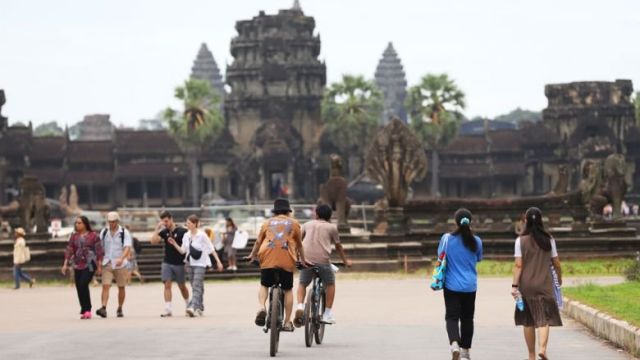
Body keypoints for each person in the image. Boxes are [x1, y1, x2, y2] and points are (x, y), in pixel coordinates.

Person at [246, 198, 309, 332]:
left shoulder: (267, 223)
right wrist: (303, 260)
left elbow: (258, 242)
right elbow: (299, 245)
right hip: (286, 258)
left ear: (274, 212)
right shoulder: (294, 223)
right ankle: (287, 322)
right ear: (288, 211)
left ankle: (262, 307)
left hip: (267, 256)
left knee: (264, 284)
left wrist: (252, 255)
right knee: (287, 289)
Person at [512, 207, 563, 360]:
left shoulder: (520, 241)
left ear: (525, 221)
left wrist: (515, 286)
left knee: (528, 321)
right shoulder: (549, 239)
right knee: (544, 319)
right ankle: (542, 348)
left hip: (526, 285)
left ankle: (531, 355)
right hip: (545, 284)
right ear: (541, 221)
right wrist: (559, 279)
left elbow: (518, 266)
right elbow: (556, 263)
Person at [294, 204, 352, 327]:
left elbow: (297, 242)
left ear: (317, 214)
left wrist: (296, 257)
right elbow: (338, 246)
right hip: (323, 261)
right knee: (330, 284)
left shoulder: (307, 224)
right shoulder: (332, 228)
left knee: (303, 284)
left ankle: (300, 306)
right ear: (329, 216)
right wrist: (345, 261)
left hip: (306, 260)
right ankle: (327, 313)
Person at [439, 208, 483, 360]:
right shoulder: (476, 241)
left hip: (451, 285)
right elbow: (478, 258)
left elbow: (440, 256)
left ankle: (454, 344)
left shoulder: (447, 239)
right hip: (470, 286)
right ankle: (465, 352)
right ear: (470, 222)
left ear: (455, 222)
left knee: (451, 317)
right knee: (467, 318)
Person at [167, 214, 223, 317]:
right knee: (196, 286)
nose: (187, 225)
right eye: (187, 223)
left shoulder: (202, 235)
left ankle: (192, 307)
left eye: (189, 223)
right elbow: (182, 251)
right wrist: (174, 243)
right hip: (189, 264)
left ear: (195, 224)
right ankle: (200, 307)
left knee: (196, 285)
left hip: (200, 264)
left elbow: (211, 248)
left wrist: (218, 262)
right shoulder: (186, 236)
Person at [61, 216, 104, 319]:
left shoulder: (93, 236)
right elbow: (69, 249)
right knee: (79, 286)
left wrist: (99, 265)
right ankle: (84, 309)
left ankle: (88, 309)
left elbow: (99, 251)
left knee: (83, 283)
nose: (77, 225)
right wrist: (65, 264)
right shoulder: (74, 236)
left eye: (79, 223)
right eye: (76, 223)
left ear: (85, 224)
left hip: (90, 263)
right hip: (77, 263)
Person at [150, 211, 191, 317]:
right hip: (167, 262)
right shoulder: (164, 231)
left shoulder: (182, 231)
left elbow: (188, 245)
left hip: (180, 263)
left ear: (171, 219)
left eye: (167, 221)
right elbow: (153, 241)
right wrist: (157, 228)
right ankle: (168, 308)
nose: (165, 223)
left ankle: (188, 304)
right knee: (167, 284)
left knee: (182, 286)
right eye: (163, 221)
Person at [96, 211, 132, 318]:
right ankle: (103, 307)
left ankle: (120, 307)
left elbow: (127, 247)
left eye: (113, 222)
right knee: (105, 285)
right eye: (109, 222)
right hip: (107, 262)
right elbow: (99, 248)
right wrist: (99, 263)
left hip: (120, 264)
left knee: (121, 287)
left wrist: (121, 258)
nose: (111, 224)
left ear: (117, 221)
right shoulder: (104, 232)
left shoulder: (124, 232)